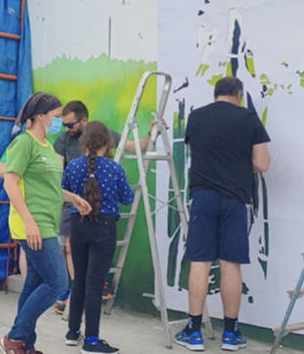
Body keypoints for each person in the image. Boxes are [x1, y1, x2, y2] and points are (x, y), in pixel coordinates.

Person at [175, 77, 270, 352]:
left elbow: (195, 150)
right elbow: (262, 164)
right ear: (239, 94)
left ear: (215, 94)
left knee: (200, 262)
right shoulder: (249, 119)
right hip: (235, 199)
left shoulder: (196, 117)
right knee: (231, 264)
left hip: (203, 196)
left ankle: (194, 332)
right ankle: (231, 333)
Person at [0, 92, 92, 354]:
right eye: (55, 116)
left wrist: (72, 197)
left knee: (34, 284)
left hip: (47, 222)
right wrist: (29, 222)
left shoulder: (47, 147)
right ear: (40, 116)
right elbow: (10, 182)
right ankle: (15, 337)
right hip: (33, 224)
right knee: (58, 282)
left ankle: (25, 345)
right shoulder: (23, 143)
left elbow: (49, 187)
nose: (58, 122)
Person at [53, 100, 158, 312]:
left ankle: (84, 290)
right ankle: (75, 290)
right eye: (65, 125)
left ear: (84, 120)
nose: (67, 129)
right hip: (74, 204)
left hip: (99, 208)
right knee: (69, 249)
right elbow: (57, 169)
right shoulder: (65, 140)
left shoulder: (105, 136)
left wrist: (151, 132)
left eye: (71, 124)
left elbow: (137, 147)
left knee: (86, 252)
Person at [62, 121, 134, 353]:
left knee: (80, 280)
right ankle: (91, 341)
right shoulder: (114, 169)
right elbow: (127, 198)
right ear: (107, 143)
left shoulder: (72, 167)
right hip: (104, 226)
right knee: (95, 284)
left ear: (84, 142)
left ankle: (73, 332)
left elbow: (65, 191)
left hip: (78, 225)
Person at [0, 147, 28, 282]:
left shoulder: (51, 144)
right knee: (27, 249)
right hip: (24, 208)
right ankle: (29, 290)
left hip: (47, 207)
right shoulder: (19, 145)